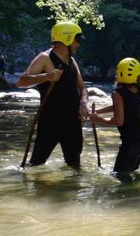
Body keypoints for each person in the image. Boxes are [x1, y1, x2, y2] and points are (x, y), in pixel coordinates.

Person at [17, 21, 89, 169]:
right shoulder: (44, 58)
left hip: (73, 121)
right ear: (67, 39)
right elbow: (21, 82)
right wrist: (46, 76)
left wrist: (83, 103)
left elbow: (83, 88)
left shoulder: (72, 61)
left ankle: (72, 190)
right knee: (36, 163)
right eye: (78, 40)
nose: (78, 44)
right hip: (50, 121)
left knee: (74, 164)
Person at [88, 57, 140, 178]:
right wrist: (98, 111)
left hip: (130, 143)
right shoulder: (139, 91)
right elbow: (123, 107)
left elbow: (118, 121)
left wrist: (97, 119)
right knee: (131, 174)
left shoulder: (117, 93)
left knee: (120, 177)